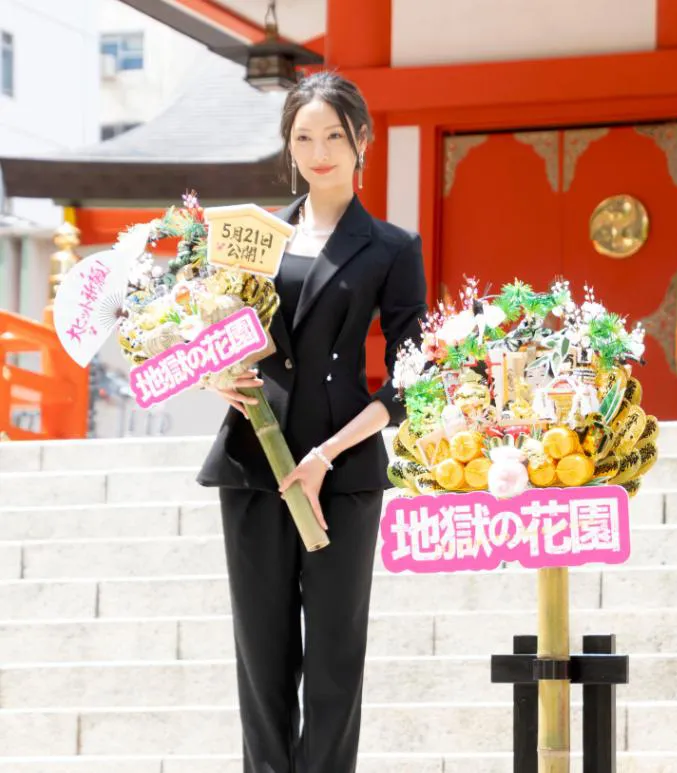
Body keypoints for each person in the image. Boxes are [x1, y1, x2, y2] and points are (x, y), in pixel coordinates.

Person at [197, 71, 428, 773]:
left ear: (363, 139)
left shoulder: (391, 246)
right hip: (254, 464)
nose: (319, 149)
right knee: (261, 664)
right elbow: (222, 333)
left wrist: (330, 450)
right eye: (303, 136)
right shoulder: (252, 239)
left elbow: (411, 377)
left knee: (333, 664)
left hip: (342, 473)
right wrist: (215, 373)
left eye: (334, 134)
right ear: (287, 146)